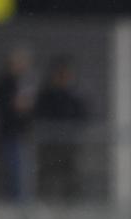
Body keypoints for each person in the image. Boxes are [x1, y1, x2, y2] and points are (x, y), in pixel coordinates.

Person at [34, 55, 88, 201]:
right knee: (46, 178)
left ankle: (70, 207)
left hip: (68, 146)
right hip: (49, 146)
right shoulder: (46, 95)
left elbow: (83, 115)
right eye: (62, 74)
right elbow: (39, 114)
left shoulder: (74, 95)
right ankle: (43, 207)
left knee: (70, 179)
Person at [0, 47, 35, 202]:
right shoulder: (4, 83)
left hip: (22, 134)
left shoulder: (24, 82)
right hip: (8, 133)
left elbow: (30, 108)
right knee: (12, 170)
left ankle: (20, 201)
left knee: (23, 171)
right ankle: (13, 202)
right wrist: (13, 105)